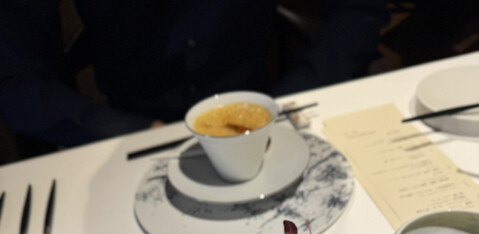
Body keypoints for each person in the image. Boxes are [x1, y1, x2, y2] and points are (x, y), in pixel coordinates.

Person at [0, 0, 389, 152]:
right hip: (131, 132)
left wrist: (291, 95)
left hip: (269, 113)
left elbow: (358, 12)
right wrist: (124, 129)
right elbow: (13, 80)